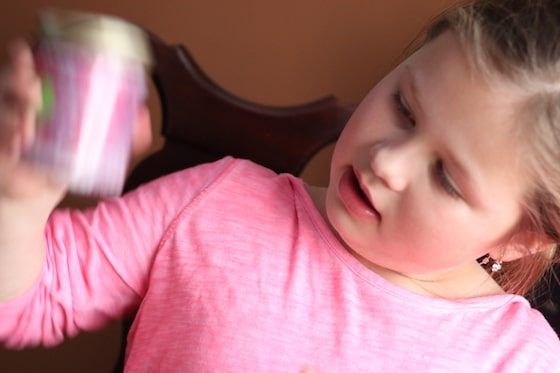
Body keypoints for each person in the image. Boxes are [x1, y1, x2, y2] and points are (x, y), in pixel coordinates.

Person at [1, 0, 560, 371]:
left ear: (520, 236)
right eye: (405, 108)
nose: (389, 161)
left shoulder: (518, 359)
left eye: (446, 177)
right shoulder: (213, 203)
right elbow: (27, 303)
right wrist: (17, 199)